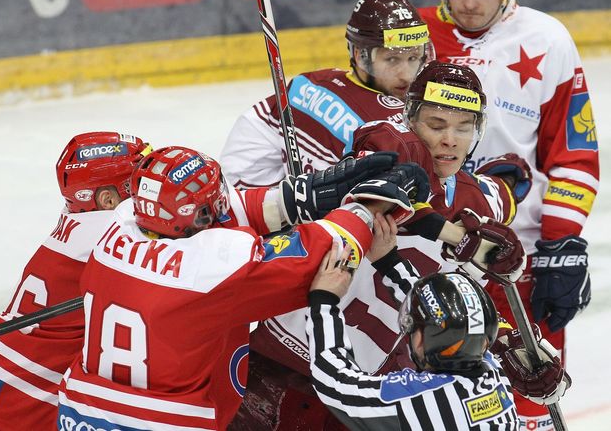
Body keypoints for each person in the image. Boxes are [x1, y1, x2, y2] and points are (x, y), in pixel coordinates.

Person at [227, 60, 531, 430]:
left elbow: (449, 301)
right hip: (278, 357)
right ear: (410, 119)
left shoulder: (483, 203)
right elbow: (395, 190)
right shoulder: (387, 143)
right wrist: (456, 234)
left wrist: (515, 340)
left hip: (371, 385)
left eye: (463, 128)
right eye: (436, 125)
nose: (449, 139)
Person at [55, 146, 425, 431]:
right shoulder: (211, 268)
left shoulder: (118, 228)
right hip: (160, 421)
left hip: (80, 414)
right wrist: (365, 206)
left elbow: (214, 216)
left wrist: (297, 196)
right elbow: (318, 255)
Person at [418, 0, 598, 427]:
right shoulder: (412, 38)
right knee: (434, 397)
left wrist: (561, 246)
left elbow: (574, 153)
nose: (470, 2)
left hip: (516, 253)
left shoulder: (547, 39)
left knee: (530, 393)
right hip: (430, 246)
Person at [0, 132, 152, 431]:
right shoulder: (115, 238)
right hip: (12, 407)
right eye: (134, 186)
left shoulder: (78, 221)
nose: (149, 198)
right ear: (107, 198)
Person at [306, 214, 570, 430]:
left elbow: (337, 385)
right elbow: (440, 312)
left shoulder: (422, 398)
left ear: (421, 340)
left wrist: (323, 300)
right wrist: (388, 261)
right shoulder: (493, 376)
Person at [220, 0, 434, 186]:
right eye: (392, 59)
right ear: (360, 56)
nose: (406, 74)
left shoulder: (309, 82)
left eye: (413, 58)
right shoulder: (393, 123)